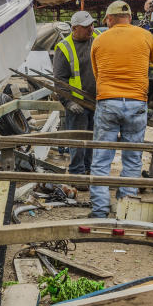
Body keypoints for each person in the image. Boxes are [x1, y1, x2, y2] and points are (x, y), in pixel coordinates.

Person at [89, 1, 153, 217]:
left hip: (108, 101)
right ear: (129, 18)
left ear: (109, 19)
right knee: (132, 158)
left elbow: (96, 74)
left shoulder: (99, 40)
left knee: (101, 159)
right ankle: (126, 210)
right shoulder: (144, 36)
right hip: (137, 102)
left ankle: (100, 211)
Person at [53, 10, 97, 179]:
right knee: (78, 141)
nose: (91, 29)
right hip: (77, 103)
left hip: (95, 101)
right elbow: (59, 81)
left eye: (92, 25)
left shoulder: (97, 40)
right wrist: (69, 103)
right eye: (86, 27)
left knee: (92, 139)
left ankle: (88, 169)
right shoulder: (64, 48)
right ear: (75, 28)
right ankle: (77, 173)